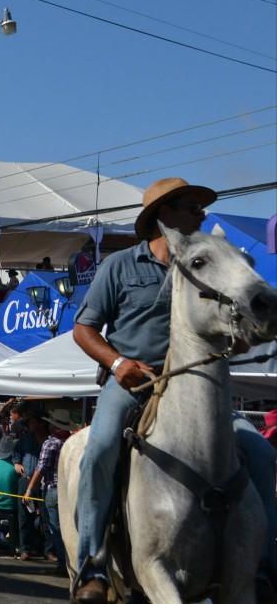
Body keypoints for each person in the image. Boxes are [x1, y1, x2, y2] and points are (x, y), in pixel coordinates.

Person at [71, 177, 277, 603]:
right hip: (134, 383)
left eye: (201, 209)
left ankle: (264, 567)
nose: (201, 216)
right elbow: (83, 329)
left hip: (198, 383)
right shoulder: (120, 266)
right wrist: (117, 363)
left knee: (260, 452)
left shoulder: (209, 260)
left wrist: (242, 334)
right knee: (100, 447)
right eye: (191, 207)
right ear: (164, 215)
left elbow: (230, 327)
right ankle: (92, 565)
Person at [23, 408, 75, 575]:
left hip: (53, 489)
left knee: (55, 528)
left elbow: (41, 468)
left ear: (53, 425)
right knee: (71, 527)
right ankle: (71, 561)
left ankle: (62, 563)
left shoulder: (51, 442)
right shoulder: (72, 441)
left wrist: (29, 489)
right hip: (70, 490)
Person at [12, 406, 48, 560]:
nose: (30, 425)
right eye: (29, 422)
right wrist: (16, 464)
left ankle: (49, 550)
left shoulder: (49, 438)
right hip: (26, 480)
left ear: (41, 422)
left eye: (32, 421)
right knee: (24, 516)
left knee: (47, 517)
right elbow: (16, 452)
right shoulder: (26, 439)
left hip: (45, 483)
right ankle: (25, 549)